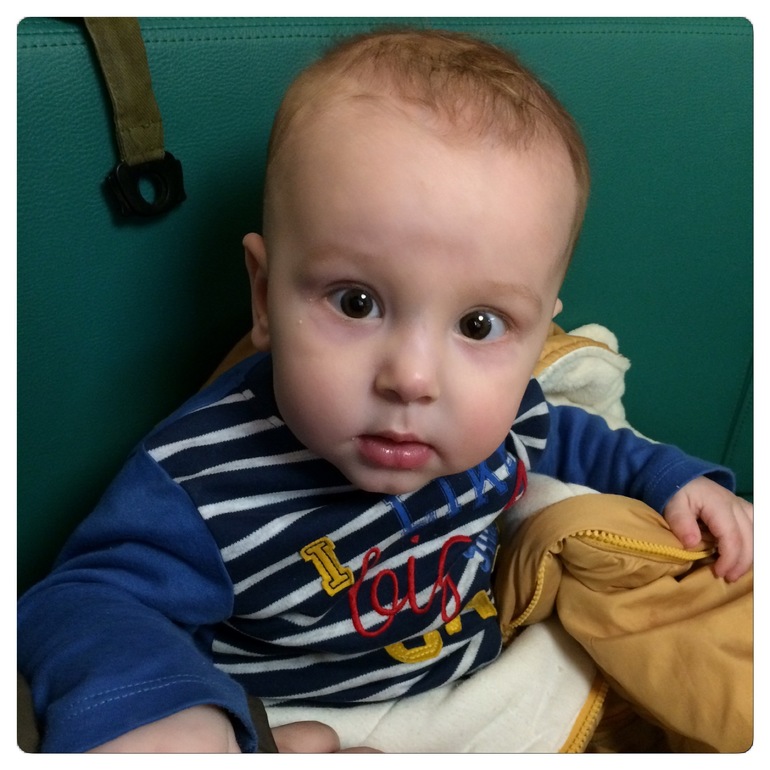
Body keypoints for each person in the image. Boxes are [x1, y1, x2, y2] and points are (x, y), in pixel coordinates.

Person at [17, 28, 753, 754]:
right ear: (264, 297)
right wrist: (164, 715)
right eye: (357, 302)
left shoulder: (502, 419)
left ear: (536, 338)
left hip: (474, 685)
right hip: (284, 711)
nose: (413, 378)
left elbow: (568, 432)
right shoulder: (201, 483)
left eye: (479, 323)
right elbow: (86, 599)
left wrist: (669, 477)